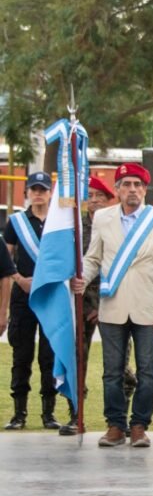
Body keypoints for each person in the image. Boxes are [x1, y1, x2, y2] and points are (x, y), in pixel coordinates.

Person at [73, 163, 153, 447]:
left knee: (147, 371)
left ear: (145, 190)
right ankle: (115, 426)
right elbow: (93, 258)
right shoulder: (103, 218)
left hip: (148, 308)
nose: (132, 189)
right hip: (113, 305)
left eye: (137, 185)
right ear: (117, 190)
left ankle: (140, 426)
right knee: (112, 372)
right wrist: (83, 279)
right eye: (127, 184)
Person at [59, 176, 116, 436]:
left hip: (111, 298)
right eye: (90, 196)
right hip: (82, 299)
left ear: (109, 200)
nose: (93, 201)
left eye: (99, 196)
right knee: (78, 357)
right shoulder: (76, 228)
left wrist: (102, 305)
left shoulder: (118, 226)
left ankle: (119, 419)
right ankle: (76, 415)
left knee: (118, 361)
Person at [4, 171, 60, 430]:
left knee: (49, 356)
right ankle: (19, 413)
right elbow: (5, 259)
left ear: (50, 192)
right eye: (34, 189)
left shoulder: (59, 222)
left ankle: (49, 413)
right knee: (22, 355)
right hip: (23, 295)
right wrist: (18, 279)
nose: (38, 194)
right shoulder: (16, 222)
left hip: (50, 296)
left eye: (43, 189)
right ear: (27, 192)